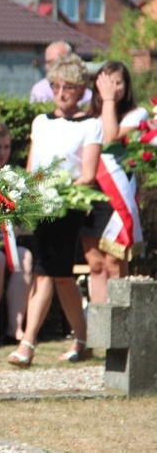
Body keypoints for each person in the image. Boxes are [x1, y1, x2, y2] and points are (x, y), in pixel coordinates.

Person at [8, 54, 102, 368]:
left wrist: (58, 192)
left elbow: (88, 173)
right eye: (57, 86)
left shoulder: (91, 124)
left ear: (81, 90)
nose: (61, 93)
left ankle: (27, 343)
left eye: (69, 87)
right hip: (40, 206)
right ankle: (83, 339)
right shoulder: (40, 121)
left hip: (69, 206)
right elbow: (31, 167)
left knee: (46, 272)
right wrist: (29, 194)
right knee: (59, 276)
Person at [81, 61, 145, 303]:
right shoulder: (87, 116)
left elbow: (110, 136)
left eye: (119, 83)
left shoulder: (137, 114)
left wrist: (108, 101)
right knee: (96, 262)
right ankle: (98, 326)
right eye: (108, 83)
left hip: (117, 193)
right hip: (91, 191)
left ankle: (119, 324)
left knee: (113, 260)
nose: (114, 88)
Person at [0, 120, 34, 345]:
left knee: (26, 257)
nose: (3, 153)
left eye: (6, 147)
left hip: (11, 242)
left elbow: (27, 223)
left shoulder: (16, 179)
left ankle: (15, 328)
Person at [29, 41, 92, 106]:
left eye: (68, 87)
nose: (61, 94)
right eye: (49, 62)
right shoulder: (40, 90)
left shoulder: (87, 94)